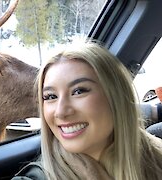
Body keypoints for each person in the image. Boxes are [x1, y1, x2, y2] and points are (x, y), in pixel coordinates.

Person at [12, 41, 162, 180]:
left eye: (78, 91)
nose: (60, 112)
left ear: (116, 97)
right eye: (51, 96)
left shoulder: (156, 157)